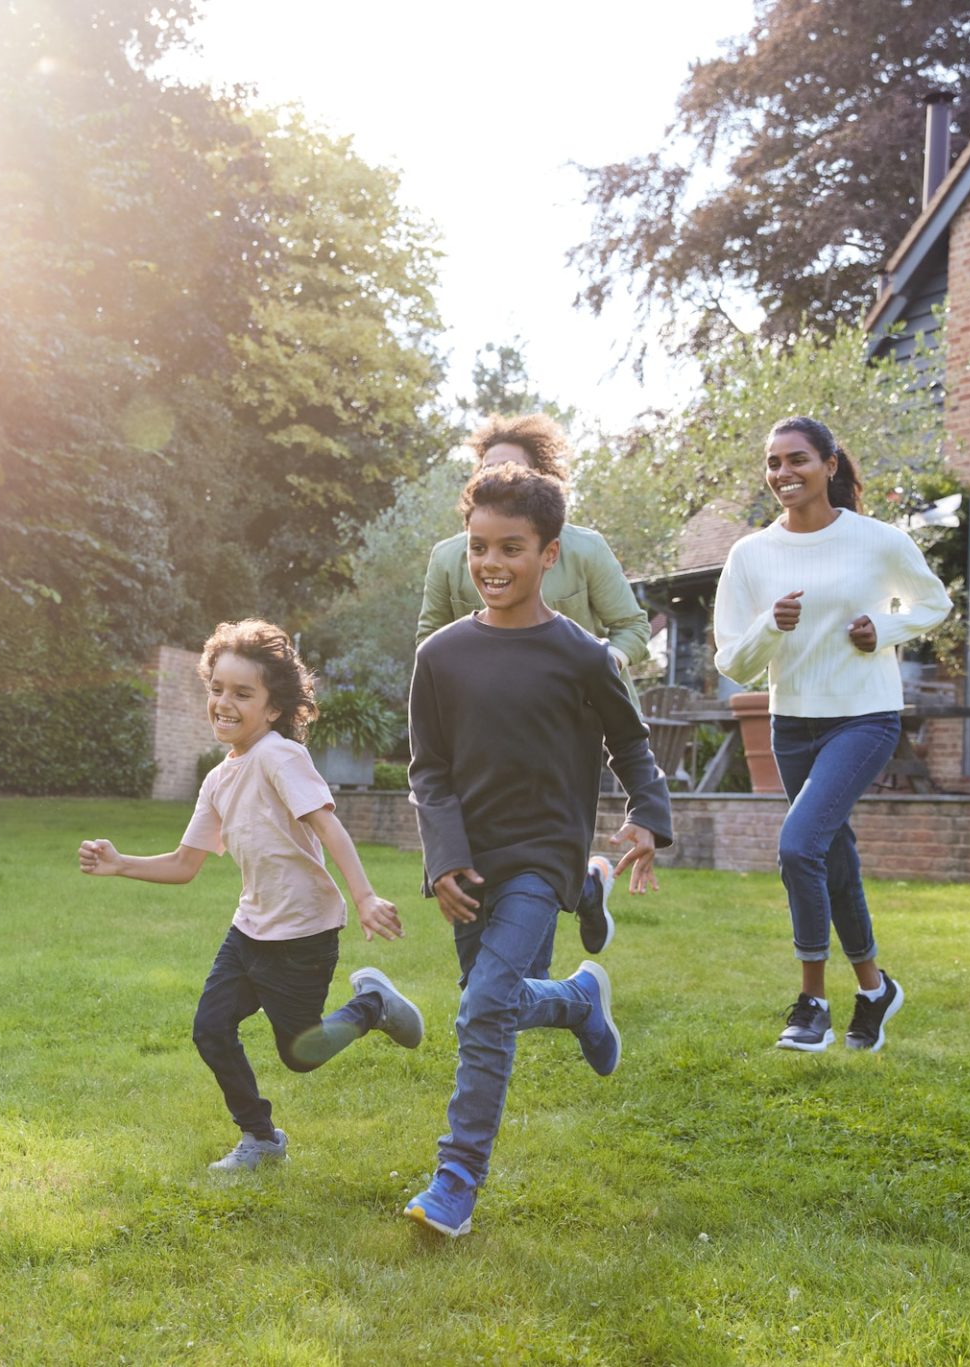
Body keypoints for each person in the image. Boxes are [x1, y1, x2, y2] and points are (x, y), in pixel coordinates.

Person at [403, 464, 671, 1238]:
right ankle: (579, 998)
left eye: (511, 548)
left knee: (483, 1005)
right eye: (479, 546)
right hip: (471, 857)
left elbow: (630, 741)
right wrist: (444, 859)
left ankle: (455, 1182)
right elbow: (430, 769)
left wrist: (647, 817)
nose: (491, 563)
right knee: (492, 1001)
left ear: (550, 553)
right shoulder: (441, 658)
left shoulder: (584, 655)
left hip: (542, 850)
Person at [78, 619, 426, 1173]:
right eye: (217, 689)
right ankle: (260, 1139)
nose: (224, 702)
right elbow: (184, 864)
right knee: (210, 1029)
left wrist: (364, 898)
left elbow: (328, 827)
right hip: (250, 930)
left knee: (300, 1054)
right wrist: (121, 865)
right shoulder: (219, 778)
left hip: (302, 935)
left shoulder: (279, 756)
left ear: (272, 708)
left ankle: (373, 1006)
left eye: (242, 693)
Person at [713, 416, 952, 1054]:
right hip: (791, 722)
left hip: (864, 715)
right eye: (773, 463)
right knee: (833, 855)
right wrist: (770, 625)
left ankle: (812, 1000)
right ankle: (874, 989)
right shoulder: (750, 554)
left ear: (830, 465)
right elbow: (733, 659)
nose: (783, 474)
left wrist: (884, 624)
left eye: (797, 460)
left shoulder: (877, 540)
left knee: (798, 846)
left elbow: (933, 603)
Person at [417, 412, 652, 965]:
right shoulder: (452, 558)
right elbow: (431, 637)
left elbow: (632, 629)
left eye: (512, 469)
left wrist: (598, 666)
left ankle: (571, 879)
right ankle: (582, 918)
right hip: (484, 746)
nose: (491, 561)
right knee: (500, 983)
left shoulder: (584, 551)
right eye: (488, 468)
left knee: (503, 970)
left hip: (567, 727)